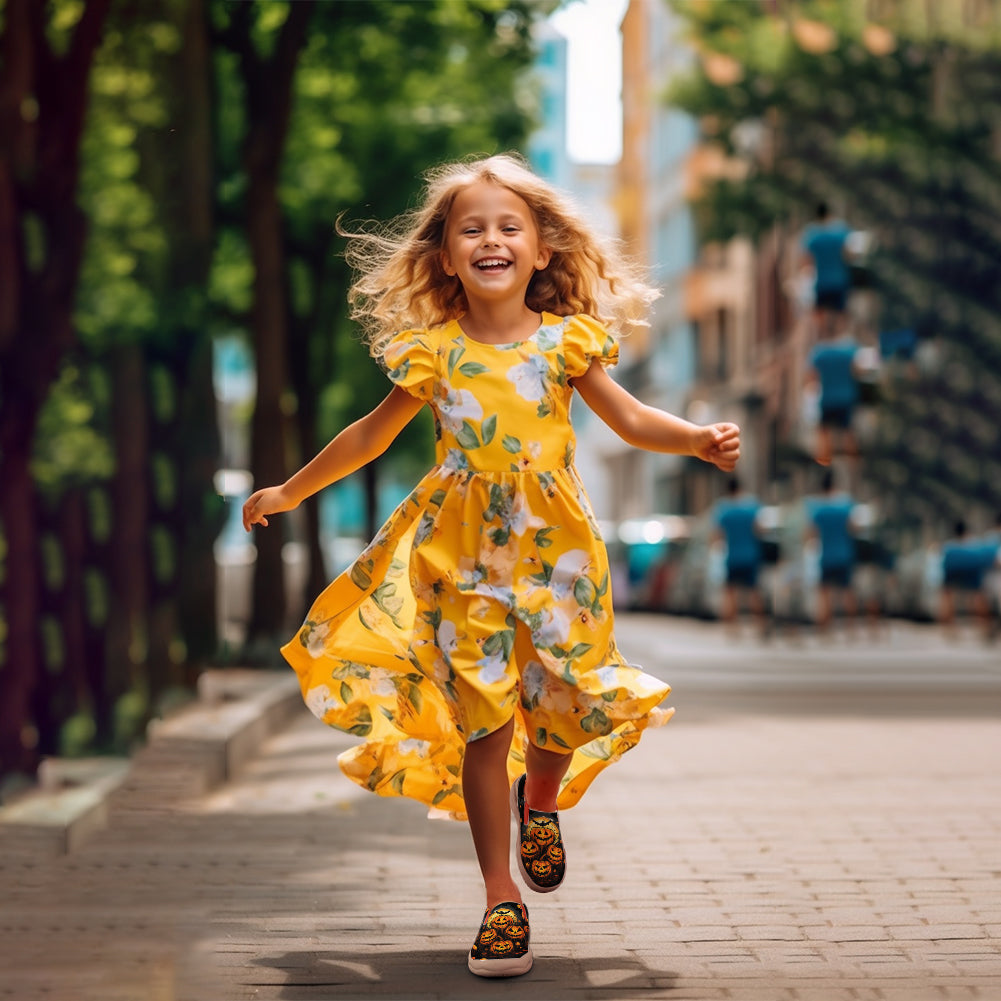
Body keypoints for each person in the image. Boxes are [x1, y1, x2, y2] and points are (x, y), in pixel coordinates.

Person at [241, 154, 741, 979]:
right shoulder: (432, 353)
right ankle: (498, 897)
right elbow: (368, 435)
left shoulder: (568, 342)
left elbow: (627, 416)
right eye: (470, 228)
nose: (490, 239)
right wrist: (291, 490)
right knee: (486, 721)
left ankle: (539, 800)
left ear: (542, 249)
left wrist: (691, 437)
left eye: (509, 225)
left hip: (559, 557)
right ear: (444, 256)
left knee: (561, 701)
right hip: (461, 556)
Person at [712, 477, 767, 637]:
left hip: (732, 556)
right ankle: (760, 625)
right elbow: (760, 529)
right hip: (750, 555)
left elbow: (716, 535)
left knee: (730, 592)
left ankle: (732, 628)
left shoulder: (723, 509)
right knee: (754, 592)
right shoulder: (752, 507)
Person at [805, 468, 858, 633]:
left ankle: (825, 627)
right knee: (847, 591)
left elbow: (810, 533)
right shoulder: (845, 504)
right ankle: (850, 627)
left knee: (824, 591)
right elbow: (853, 528)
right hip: (844, 553)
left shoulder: (817, 508)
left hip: (826, 555)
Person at [801, 201, 853, 340]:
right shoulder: (840, 231)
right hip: (839, 279)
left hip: (821, 281)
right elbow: (848, 254)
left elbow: (806, 260)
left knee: (820, 313)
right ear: (829, 214)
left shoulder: (811, 234)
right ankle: (839, 339)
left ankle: (825, 340)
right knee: (841, 313)